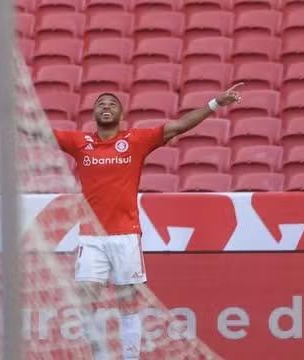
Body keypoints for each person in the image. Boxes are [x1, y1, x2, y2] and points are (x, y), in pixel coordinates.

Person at [52, 83, 244, 359]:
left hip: (125, 236)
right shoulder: (80, 143)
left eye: (112, 103)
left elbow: (177, 127)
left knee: (127, 303)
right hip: (90, 237)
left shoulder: (136, 140)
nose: (106, 106)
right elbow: (35, 132)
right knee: (85, 301)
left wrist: (215, 103)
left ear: (121, 112)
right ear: (93, 113)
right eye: (101, 103)